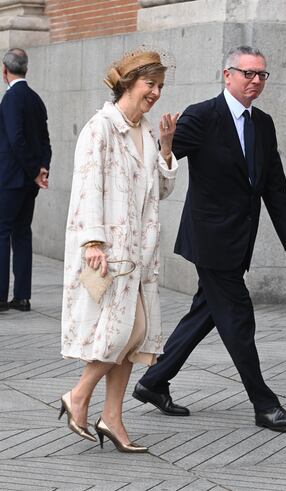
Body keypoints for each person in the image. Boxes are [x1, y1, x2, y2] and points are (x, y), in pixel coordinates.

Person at [133, 46, 286, 431]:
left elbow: (274, 187)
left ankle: (152, 382)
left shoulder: (263, 123)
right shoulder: (202, 116)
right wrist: (164, 144)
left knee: (206, 312)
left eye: (261, 75)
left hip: (240, 239)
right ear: (227, 75)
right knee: (238, 317)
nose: (255, 82)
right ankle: (265, 404)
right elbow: (159, 164)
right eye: (247, 74)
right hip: (210, 239)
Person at [60, 48, 179, 452]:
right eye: (151, 84)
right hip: (109, 250)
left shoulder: (145, 131)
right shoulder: (100, 128)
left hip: (141, 254)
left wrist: (165, 149)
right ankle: (79, 396)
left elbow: (161, 191)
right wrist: (92, 240)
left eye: (161, 85)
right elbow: (87, 186)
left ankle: (111, 418)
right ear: (128, 83)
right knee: (126, 332)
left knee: (136, 335)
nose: (156, 93)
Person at [0, 48, 51, 313]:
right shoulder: (35, 99)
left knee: (2, 233)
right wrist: (43, 169)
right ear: (26, 69)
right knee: (22, 234)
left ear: (4, 70)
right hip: (29, 183)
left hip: (10, 179)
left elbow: (16, 140)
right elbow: (45, 140)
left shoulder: (10, 99)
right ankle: (22, 297)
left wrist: (34, 170)